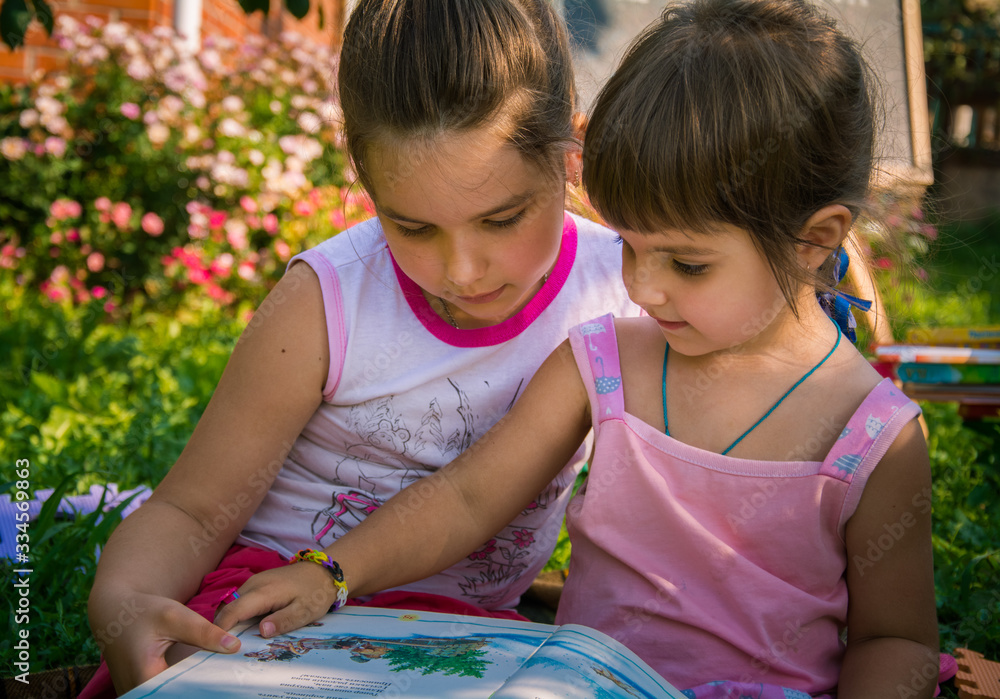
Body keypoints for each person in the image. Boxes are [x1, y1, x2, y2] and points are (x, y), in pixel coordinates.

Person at [214, 0, 940, 697]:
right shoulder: (606, 360)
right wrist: (333, 571)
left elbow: (894, 639)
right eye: (628, 245)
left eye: (686, 264)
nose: (644, 288)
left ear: (813, 240)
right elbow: (468, 496)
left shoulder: (874, 438)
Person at [83, 0, 639, 695]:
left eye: (502, 218)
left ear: (573, 154)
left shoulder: (620, 287)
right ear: (363, 173)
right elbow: (190, 511)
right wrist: (123, 602)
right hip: (278, 612)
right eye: (413, 227)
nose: (463, 270)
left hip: (470, 639)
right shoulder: (326, 302)